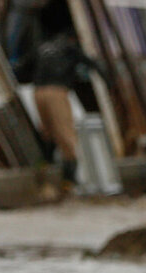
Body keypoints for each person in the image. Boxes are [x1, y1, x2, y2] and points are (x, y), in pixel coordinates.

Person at [32, 29, 101, 192]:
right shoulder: (70, 48)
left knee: (47, 132)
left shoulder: (42, 48)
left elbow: (22, 67)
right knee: (66, 135)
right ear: (73, 38)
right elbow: (92, 64)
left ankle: (45, 173)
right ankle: (69, 181)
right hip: (57, 91)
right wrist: (109, 81)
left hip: (38, 92)